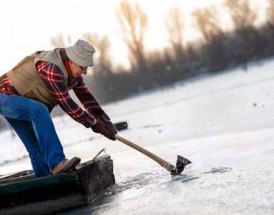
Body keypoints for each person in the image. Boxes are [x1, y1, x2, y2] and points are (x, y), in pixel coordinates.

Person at [0, 39, 117, 177]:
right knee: (39, 110)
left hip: (19, 100)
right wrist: (94, 123)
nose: (84, 72)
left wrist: (105, 120)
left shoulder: (73, 74)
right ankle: (57, 163)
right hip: (5, 96)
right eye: (83, 67)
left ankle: (44, 182)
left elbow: (86, 97)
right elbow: (66, 103)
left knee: (36, 148)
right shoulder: (51, 68)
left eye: (86, 68)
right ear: (71, 61)